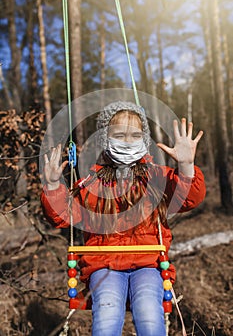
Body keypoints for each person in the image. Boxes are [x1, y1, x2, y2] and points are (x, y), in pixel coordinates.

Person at [41, 101, 206, 336]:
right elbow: (62, 217)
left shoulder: (157, 177)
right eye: (119, 135)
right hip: (103, 266)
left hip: (148, 264)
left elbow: (190, 198)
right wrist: (53, 185)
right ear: (105, 138)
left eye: (135, 135)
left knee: (149, 312)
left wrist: (186, 166)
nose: (128, 141)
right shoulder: (91, 183)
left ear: (144, 139)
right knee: (107, 315)